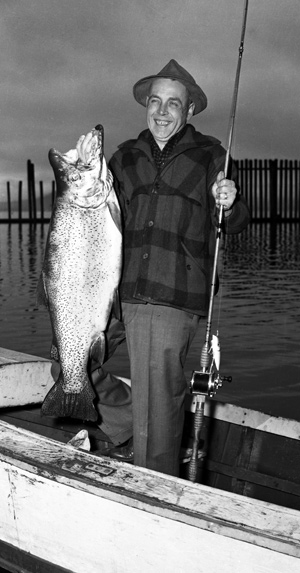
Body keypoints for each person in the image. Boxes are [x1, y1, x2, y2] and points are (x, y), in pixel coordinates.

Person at [77, 59, 250, 477]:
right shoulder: (124, 157)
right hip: (113, 291)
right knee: (70, 366)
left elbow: (237, 221)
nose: (162, 111)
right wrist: (86, 167)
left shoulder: (212, 156)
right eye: (155, 101)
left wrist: (229, 200)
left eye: (174, 103)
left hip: (171, 298)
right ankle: (135, 426)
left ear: (189, 110)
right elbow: (91, 212)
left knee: (158, 411)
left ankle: (154, 490)